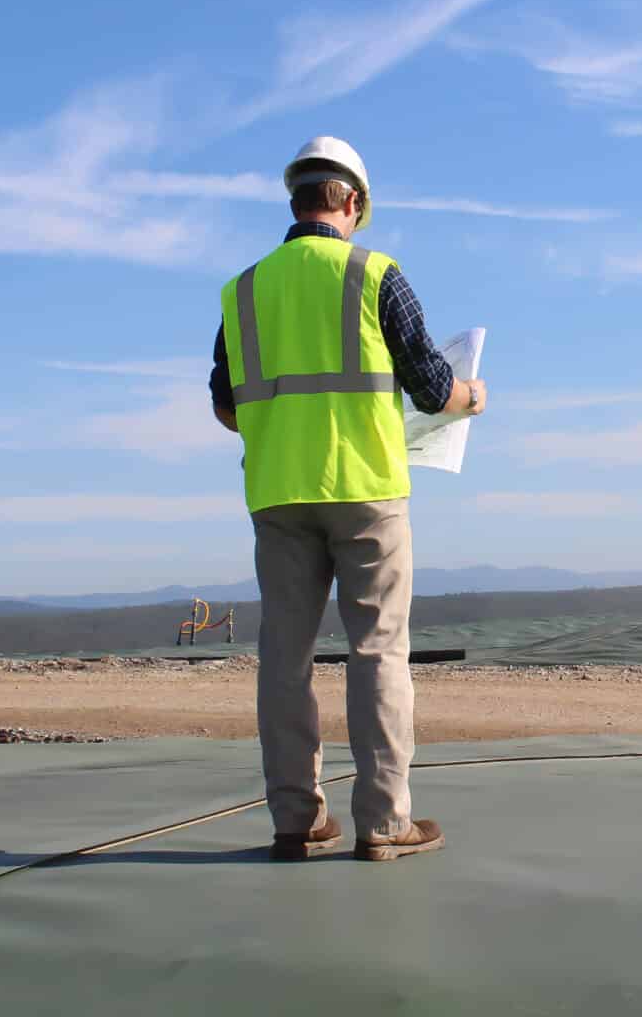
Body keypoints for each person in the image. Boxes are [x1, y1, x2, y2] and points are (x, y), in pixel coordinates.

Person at [209, 135, 486, 862]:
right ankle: (385, 823)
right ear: (355, 203)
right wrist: (472, 396)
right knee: (378, 653)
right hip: (366, 490)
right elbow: (431, 386)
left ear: (296, 199)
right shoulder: (376, 275)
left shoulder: (244, 290)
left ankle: (296, 822)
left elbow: (226, 407)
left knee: (285, 661)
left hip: (277, 495)